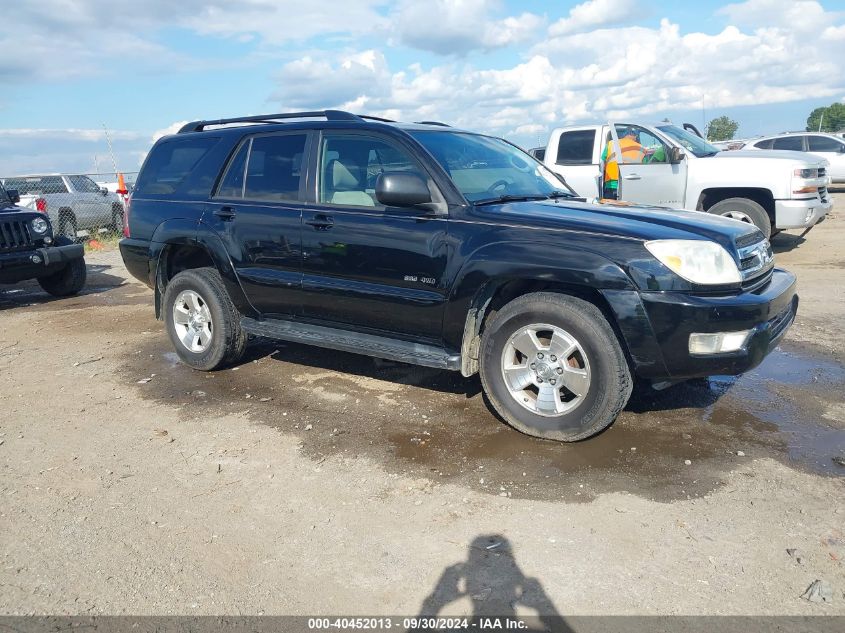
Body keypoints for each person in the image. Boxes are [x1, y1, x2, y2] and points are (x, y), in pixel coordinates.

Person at [601, 127, 645, 199]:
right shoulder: (641, 148)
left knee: (610, 209)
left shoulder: (611, 144)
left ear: (624, 135)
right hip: (631, 185)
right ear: (636, 136)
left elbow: (602, 162)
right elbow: (645, 168)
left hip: (611, 184)